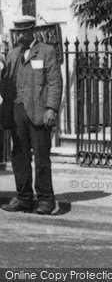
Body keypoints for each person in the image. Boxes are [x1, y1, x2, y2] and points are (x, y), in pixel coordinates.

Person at [0, 16, 62, 215]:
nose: (21, 35)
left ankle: (45, 200)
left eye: (25, 31)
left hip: (39, 112)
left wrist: (51, 108)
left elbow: (55, 82)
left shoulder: (47, 51)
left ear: (33, 31)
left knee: (42, 157)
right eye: (18, 32)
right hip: (17, 111)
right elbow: (5, 84)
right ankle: (24, 198)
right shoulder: (12, 54)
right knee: (19, 157)